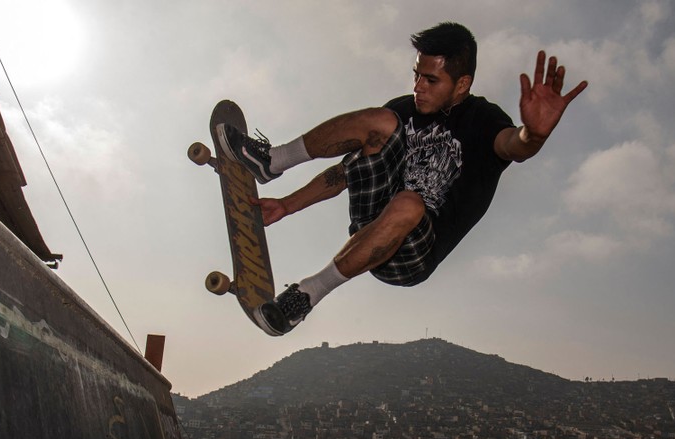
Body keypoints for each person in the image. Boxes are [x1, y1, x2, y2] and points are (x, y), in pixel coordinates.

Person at [217, 22, 587, 336]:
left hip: (413, 255)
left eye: (430, 80)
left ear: (461, 85)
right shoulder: (405, 110)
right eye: (416, 75)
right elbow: (347, 171)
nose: (418, 87)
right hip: (372, 223)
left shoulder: (482, 120)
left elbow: (512, 146)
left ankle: (306, 296)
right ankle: (272, 161)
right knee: (381, 120)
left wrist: (533, 135)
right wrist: (287, 204)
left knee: (410, 202)